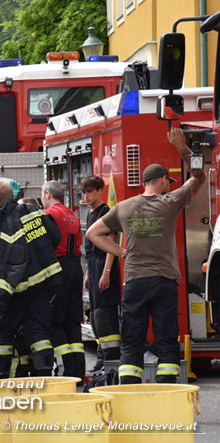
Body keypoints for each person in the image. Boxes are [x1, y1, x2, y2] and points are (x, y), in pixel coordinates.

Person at [86, 128, 206, 384]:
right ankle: (167, 391)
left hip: (135, 281)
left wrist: (120, 252)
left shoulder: (124, 207)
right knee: (165, 338)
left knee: (132, 338)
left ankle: (130, 390)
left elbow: (93, 233)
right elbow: (198, 177)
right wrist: (182, 148)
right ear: (163, 180)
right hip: (163, 281)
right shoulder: (169, 202)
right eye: (167, 183)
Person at [0, 181, 62, 379]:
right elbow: (55, 236)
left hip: (15, 290)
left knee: (3, 333)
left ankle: (0, 380)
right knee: (39, 332)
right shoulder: (35, 213)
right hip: (44, 285)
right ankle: (44, 378)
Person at [41, 180, 85, 379]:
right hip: (75, 269)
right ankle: (78, 370)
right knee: (73, 321)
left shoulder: (49, 215)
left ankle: (65, 371)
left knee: (55, 321)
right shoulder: (73, 215)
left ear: (48, 195)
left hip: (57, 270)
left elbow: (43, 245)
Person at [81, 176, 121, 371]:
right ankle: (101, 358)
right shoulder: (90, 213)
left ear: (99, 191)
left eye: (90, 191)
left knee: (105, 314)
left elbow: (111, 245)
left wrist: (105, 273)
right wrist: (89, 273)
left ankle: (111, 359)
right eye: (84, 192)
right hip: (93, 265)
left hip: (104, 265)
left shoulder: (106, 212)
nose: (87, 195)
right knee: (96, 316)